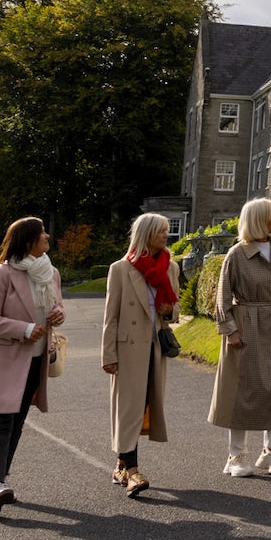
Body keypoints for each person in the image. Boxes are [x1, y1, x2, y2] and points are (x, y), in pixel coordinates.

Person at [0, 216, 65, 516]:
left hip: (35, 361)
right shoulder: (2, 274)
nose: (47, 236)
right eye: (41, 233)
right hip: (4, 359)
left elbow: (56, 307)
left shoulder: (51, 274)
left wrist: (58, 315)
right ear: (27, 241)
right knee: (0, 423)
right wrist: (23, 329)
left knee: (18, 422)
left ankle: (1, 480)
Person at [207, 197, 271, 477]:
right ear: (258, 218)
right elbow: (222, 297)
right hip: (245, 328)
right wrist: (231, 329)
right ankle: (235, 457)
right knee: (242, 392)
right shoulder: (236, 254)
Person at [102, 212, 180, 497]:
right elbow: (111, 316)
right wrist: (108, 354)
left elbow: (176, 309)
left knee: (144, 407)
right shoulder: (120, 269)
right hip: (126, 350)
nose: (166, 236)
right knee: (128, 409)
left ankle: (121, 464)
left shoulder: (170, 267)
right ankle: (133, 472)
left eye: (166, 231)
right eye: (160, 231)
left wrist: (168, 310)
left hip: (154, 348)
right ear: (146, 234)